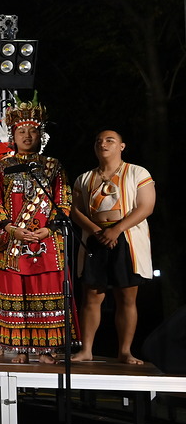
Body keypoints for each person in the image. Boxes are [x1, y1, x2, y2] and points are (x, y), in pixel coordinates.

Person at [0, 101, 75, 363]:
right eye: (21, 131)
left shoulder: (53, 166)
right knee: (18, 293)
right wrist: (10, 228)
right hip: (13, 242)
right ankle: (21, 349)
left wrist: (49, 229)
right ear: (13, 136)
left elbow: (64, 201)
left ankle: (46, 349)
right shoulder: (3, 167)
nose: (27, 136)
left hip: (46, 241)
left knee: (43, 292)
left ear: (40, 135)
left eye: (33, 131)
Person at [70, 130, 155, 364]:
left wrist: (116, 230)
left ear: (122, 146)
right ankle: (86, 350)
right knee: (91, 296)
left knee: (126, 297)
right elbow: (75, 211)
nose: (103, 144)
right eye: (99, 141)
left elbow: (146, 206)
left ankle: (125, 351)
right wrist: (97, 231)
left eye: (110, 140)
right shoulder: (85, 178)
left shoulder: (137, 172)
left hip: (125, 238)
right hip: (95, 239)